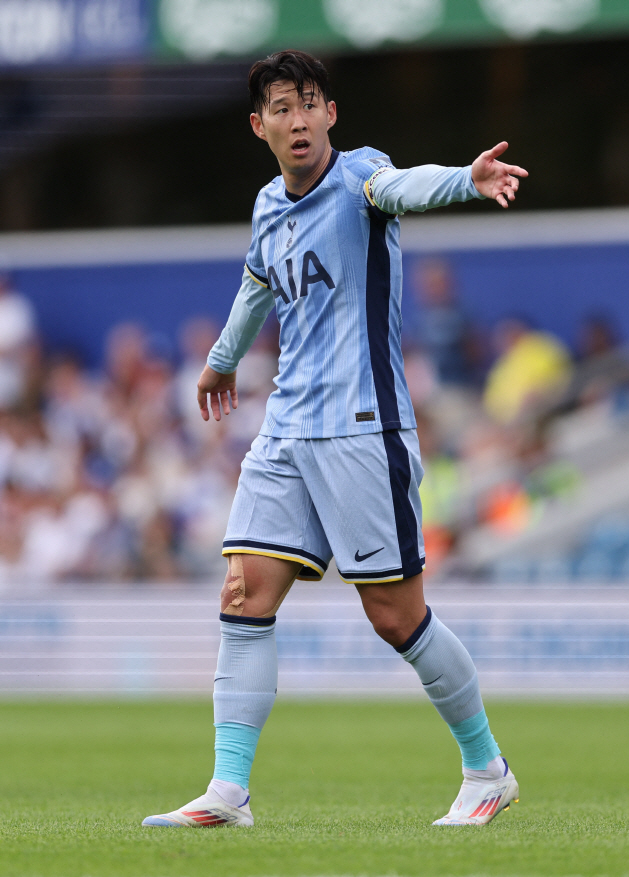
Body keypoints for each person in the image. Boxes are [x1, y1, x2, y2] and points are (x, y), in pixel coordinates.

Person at [143, 50, 527, 830]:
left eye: (310, 103)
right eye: (282, 107)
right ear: (261, 125)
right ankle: (229, 789)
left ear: (331, 115)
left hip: (362, 425)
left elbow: (406, 186)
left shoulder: (361, 178)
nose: (298, 119)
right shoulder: (267, 206)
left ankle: (487, 767)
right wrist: (221, 361)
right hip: (285, 425)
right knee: (245, 590)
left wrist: (466, 178)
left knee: (394, 616)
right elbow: (257, 283)